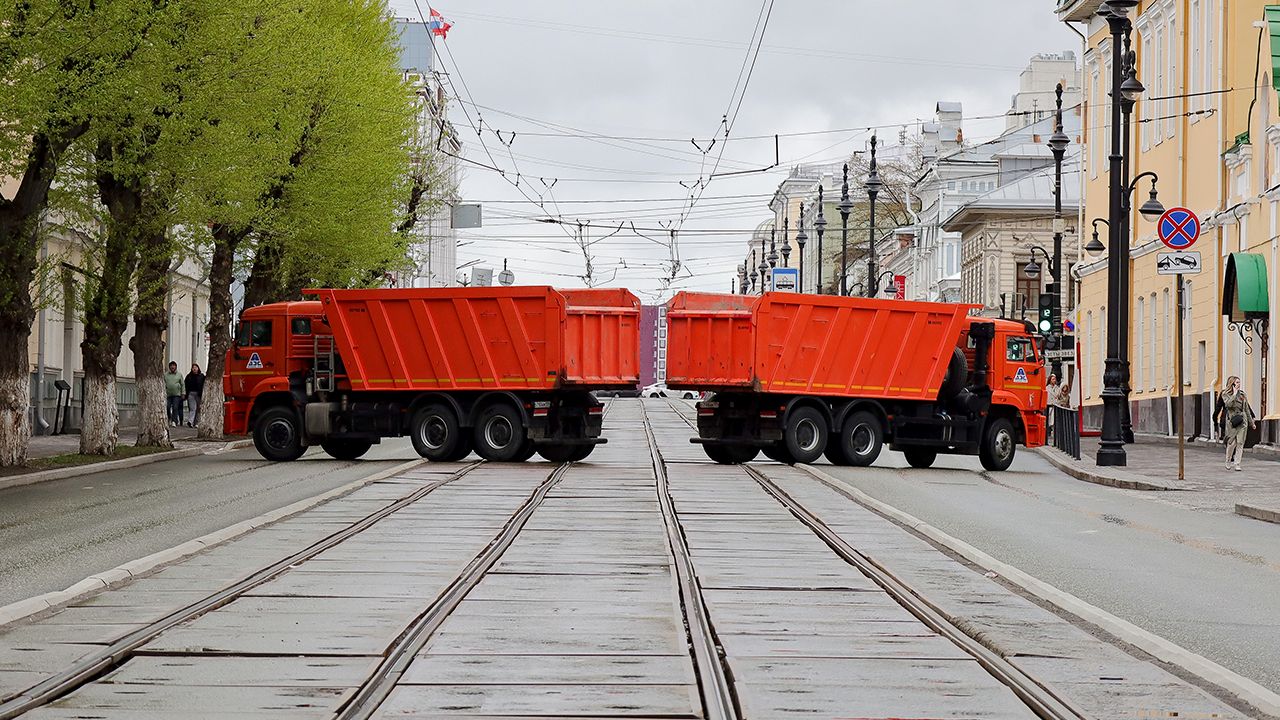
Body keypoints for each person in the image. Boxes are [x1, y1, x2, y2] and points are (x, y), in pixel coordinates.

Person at [1219, 376, 1257, 471]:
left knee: (1240, 442)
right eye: (1237, 382)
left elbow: (1246, 409)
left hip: (1243, 421)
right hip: (1233, 422)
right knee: (1232, 443)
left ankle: (1237, 463)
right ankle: (1228, 460)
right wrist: (1234, 394)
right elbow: (1228, 404)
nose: (1239, 384)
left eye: (1239, 382)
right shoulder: (1225, 394)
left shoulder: (1243, 394)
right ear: (1232, 384)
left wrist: (1251, 422)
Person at [164, 361, 184, 427]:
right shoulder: (166, 375)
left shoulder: (179, 374)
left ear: (176, 367)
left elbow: (182, 384)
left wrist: (183, 393)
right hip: (168, 394)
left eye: (174, 365)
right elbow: (163, 383)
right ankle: (169, 418)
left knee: (175, 407)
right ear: (169, 367)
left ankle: (174, 421)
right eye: (171, 366)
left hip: (177, 394)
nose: (172, 367)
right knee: (167, 407)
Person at [185, 363, 205, 427]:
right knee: (193, 408)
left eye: (196, 367)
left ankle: (196, 423)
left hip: (199, 394)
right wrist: (185, 394)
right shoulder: (189, 376)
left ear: (198, 368)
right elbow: (185, 385)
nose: (194, 369)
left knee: (198, 409)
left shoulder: (201, 376)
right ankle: (190, 422)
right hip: (191, 394)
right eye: (193, 367)